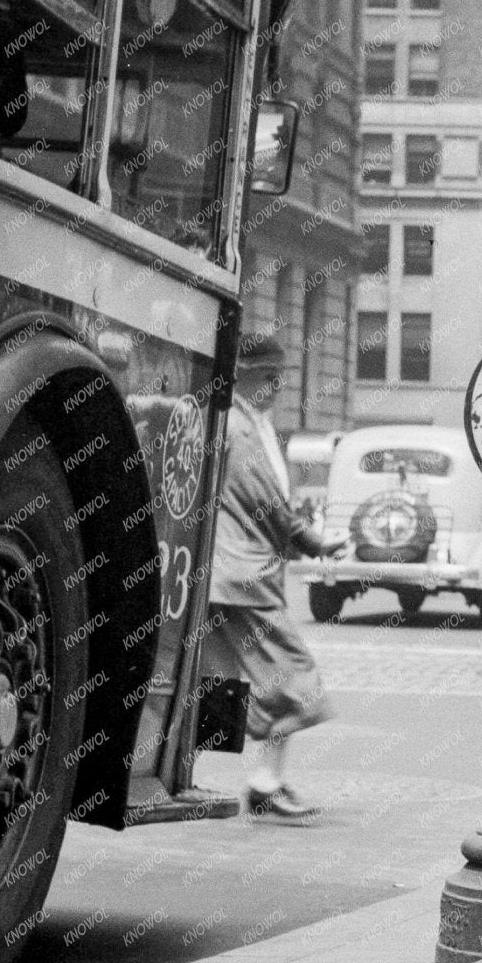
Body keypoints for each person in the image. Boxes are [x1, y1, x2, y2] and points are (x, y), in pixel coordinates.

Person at [200, 332, 342, 821]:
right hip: (243, 579)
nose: (280, 389)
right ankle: (265, 784)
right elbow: (266, 500)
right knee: (294, 679)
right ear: (254, 376)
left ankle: (260, 782)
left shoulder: (239, 421)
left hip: (230, 577)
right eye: (274, 378)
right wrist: (311, 540)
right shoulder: (240, 428)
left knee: (246, 681)